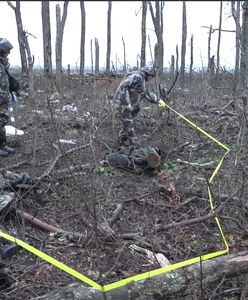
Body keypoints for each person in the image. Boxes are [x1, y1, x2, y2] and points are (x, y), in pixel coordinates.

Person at [112, 63, 166, 146]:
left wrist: (158, 100)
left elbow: (145, 93)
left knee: (128, 124)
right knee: (129, 123)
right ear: (149, 73)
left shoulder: (142, 79)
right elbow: (123, 87)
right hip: (123, 104)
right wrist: (126, 105)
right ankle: (132, 144)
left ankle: (122, 142)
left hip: (130, 106)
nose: (152, 78)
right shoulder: (137, 77)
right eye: (152, 76)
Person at [0, 38, 19, 157]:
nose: (9, 53)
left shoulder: (3, 64)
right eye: (7, 50)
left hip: (3, 98)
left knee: (2, 120)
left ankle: (2, 144)